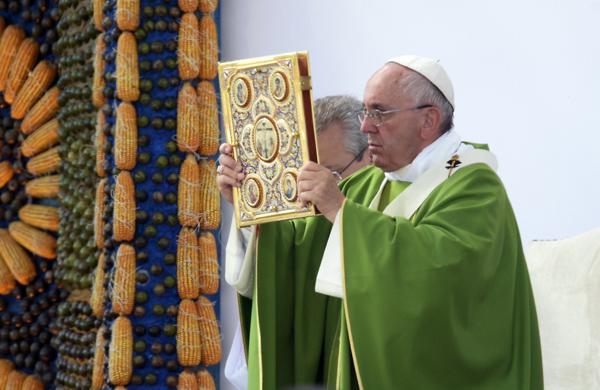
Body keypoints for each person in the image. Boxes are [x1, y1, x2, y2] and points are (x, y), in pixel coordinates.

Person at [218, 56, 543, 389]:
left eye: (380, 113)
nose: (365, 126)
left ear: (428, 120)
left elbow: (439, 275)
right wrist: (251, 204)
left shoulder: (473, 185)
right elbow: (298, 252)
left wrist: (342, 213)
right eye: (365, 113)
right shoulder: (369, 184)